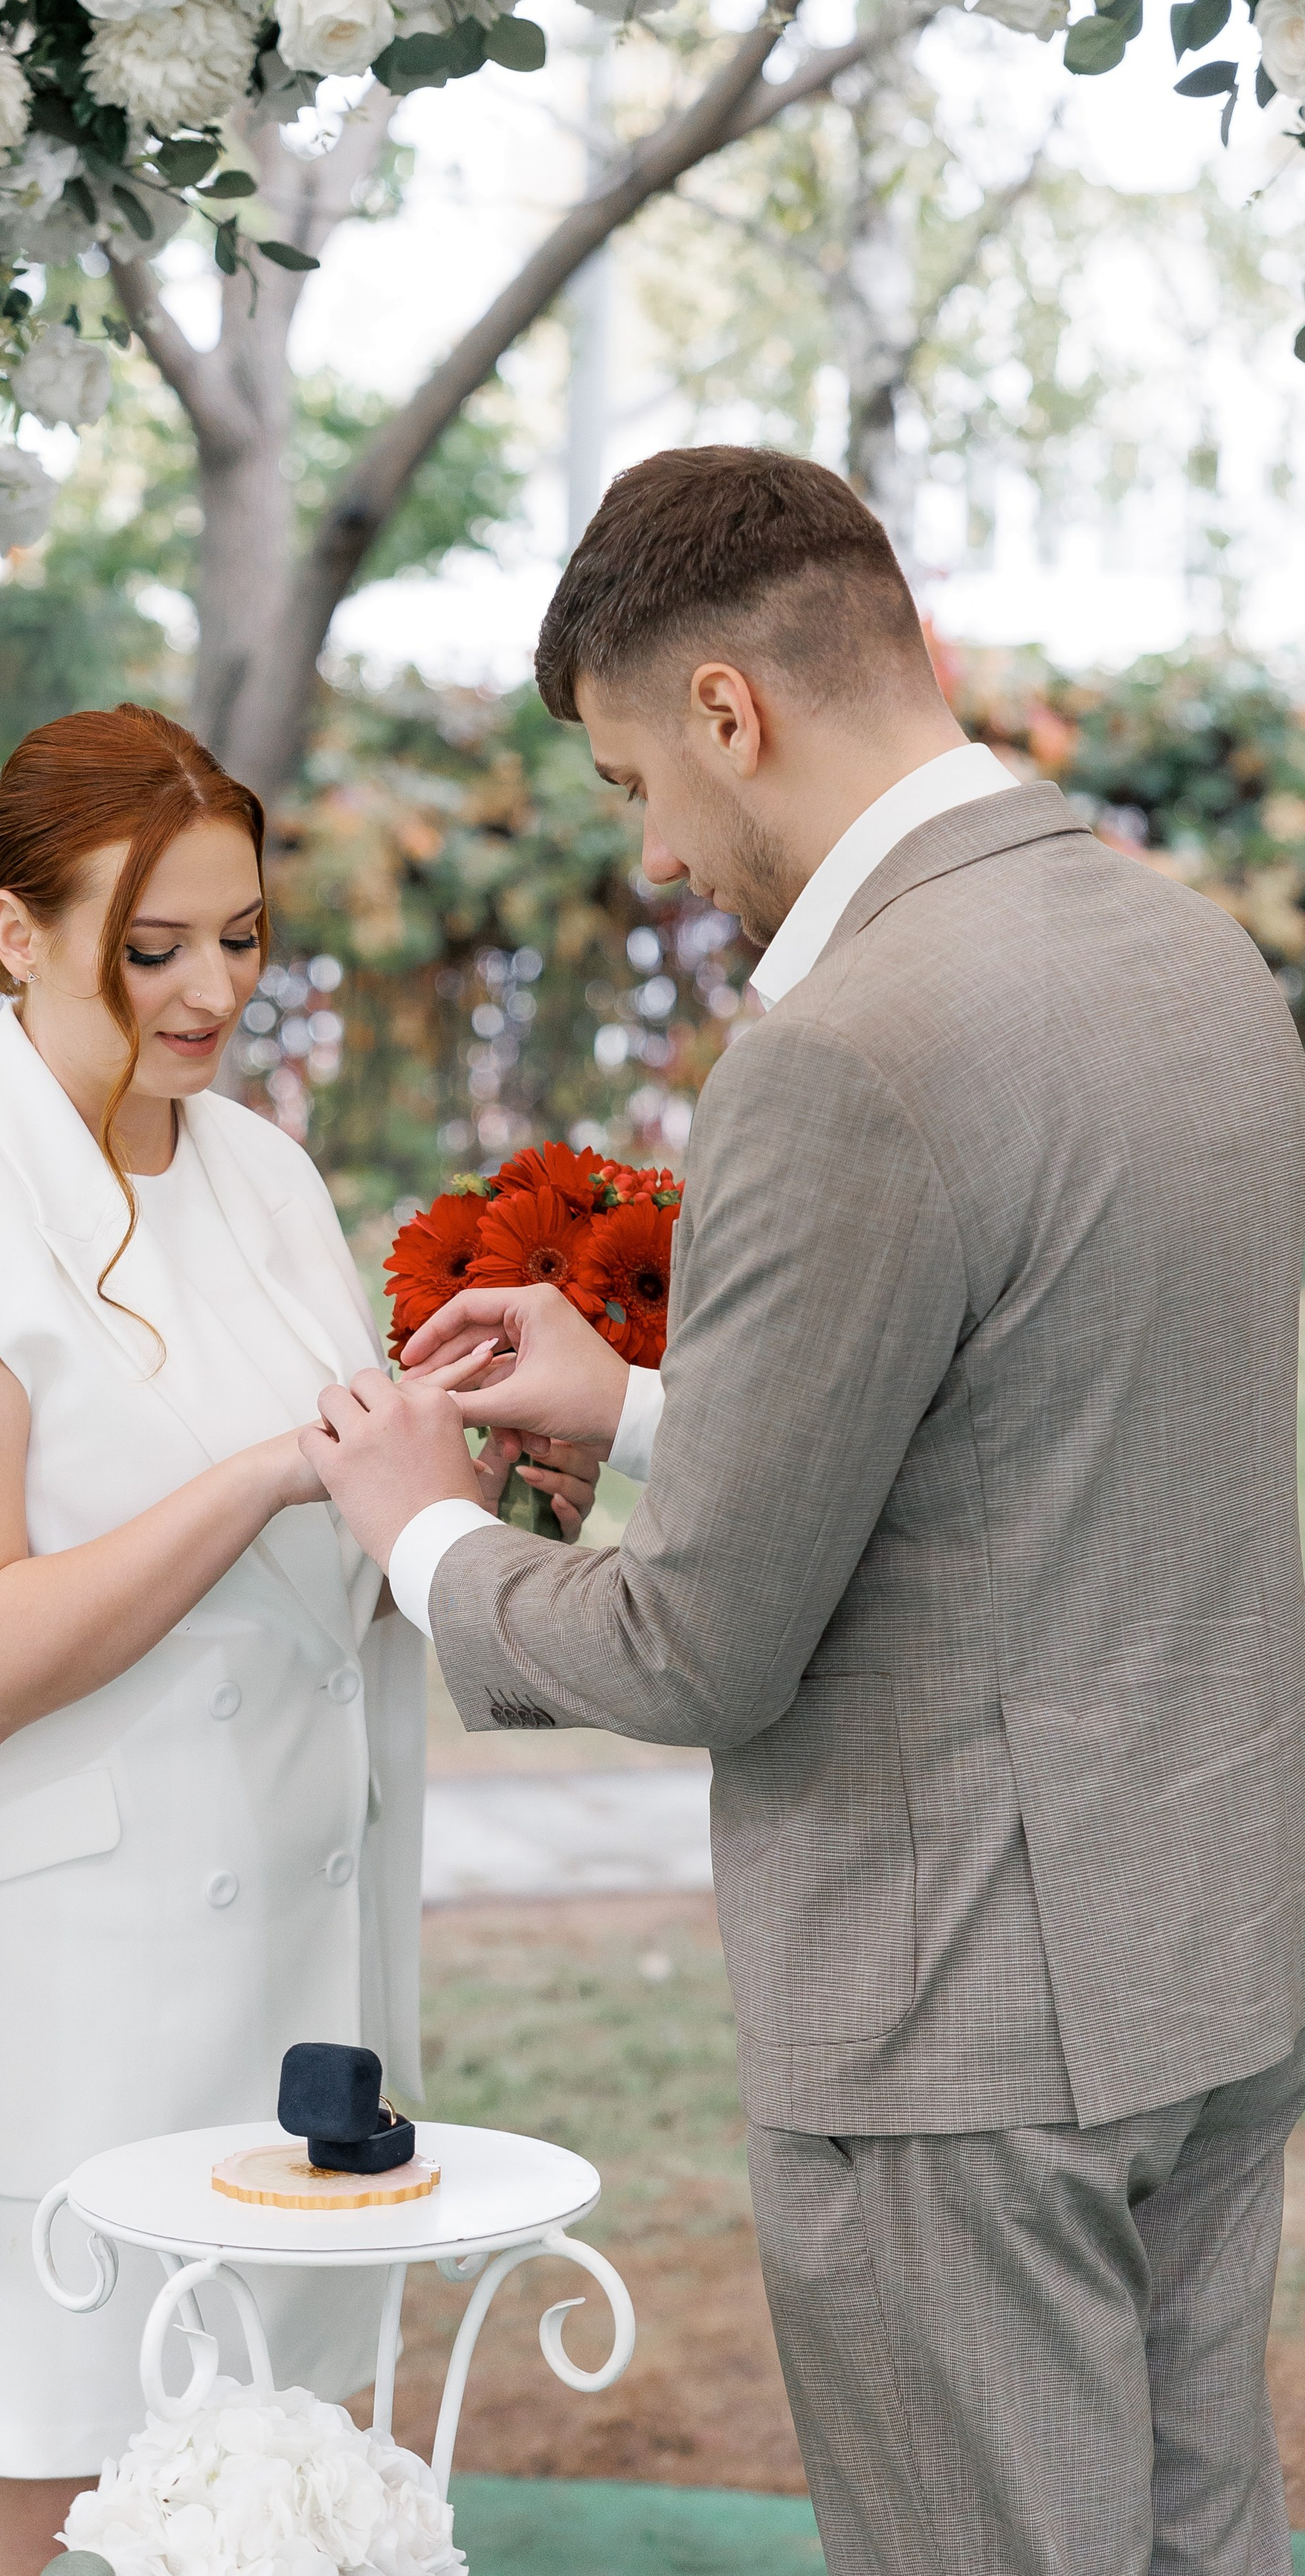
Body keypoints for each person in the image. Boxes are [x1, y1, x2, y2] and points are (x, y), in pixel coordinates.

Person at [303, 447, 1305, 2576]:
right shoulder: (1192, 953)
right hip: (1214, 1954)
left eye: (630, 782)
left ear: (729, 712)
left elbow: (701, 1646)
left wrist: (421, 1529)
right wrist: (660, 1392)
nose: (661, 853)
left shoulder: (845, 1046)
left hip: (963, 2024)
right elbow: (1048, 1420)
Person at [0, 704, 598, 2576]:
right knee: (26, 2523)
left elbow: (328, 1550)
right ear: (14, 933)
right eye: (155, 949)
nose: (212, 992)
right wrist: (269, 1474)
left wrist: (444, 1476)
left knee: (277, 2514)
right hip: (44, 2023)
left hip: (288, 2000)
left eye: (240, 936)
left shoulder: (264, 1175)